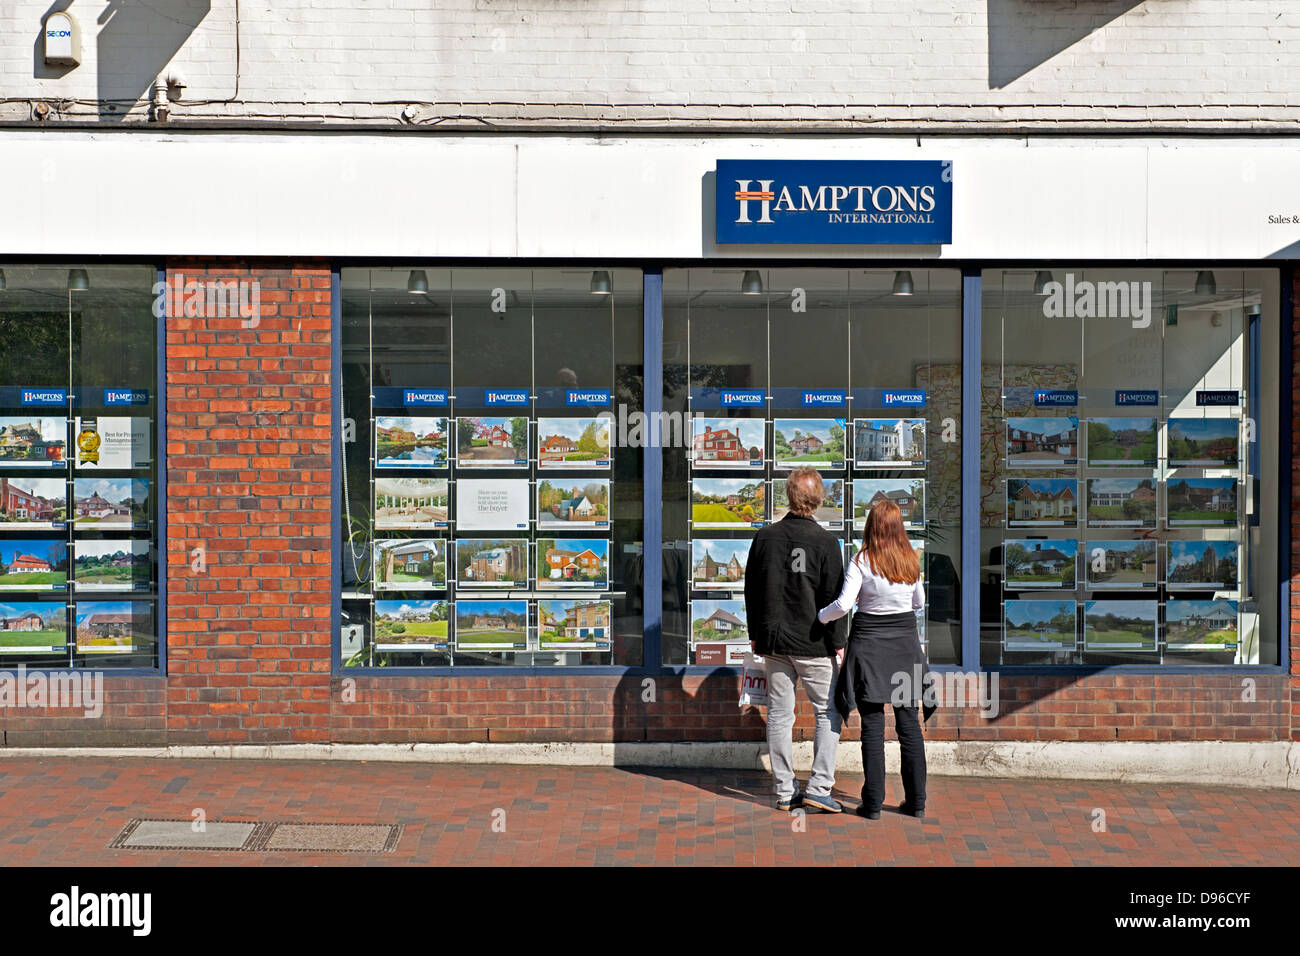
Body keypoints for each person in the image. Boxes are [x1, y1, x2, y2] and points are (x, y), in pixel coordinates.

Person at [744, 467, 848, 813]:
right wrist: (838, 642)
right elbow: (835, 597)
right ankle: (819, 787)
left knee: (778, 714)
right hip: (814, 642)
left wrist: (756, 636)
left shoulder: (765, 538)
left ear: (789, 497)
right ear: (818, 499)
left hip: (774, 641)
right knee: (827, 711)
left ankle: (784, 790)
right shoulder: (826, 542)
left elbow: (752, 592)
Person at [819, 498, 929, 820]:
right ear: (898, 526)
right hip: (905, 647)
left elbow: (843, 605)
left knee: (873, 726)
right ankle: (917, 801)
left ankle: (873, 804)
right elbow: (919, 602)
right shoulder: (911, 560)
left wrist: (821, 617)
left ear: (871, 525)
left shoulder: (862, 560)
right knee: (909, 726)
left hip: (869, 647)